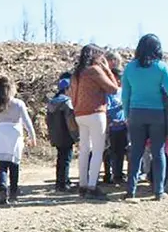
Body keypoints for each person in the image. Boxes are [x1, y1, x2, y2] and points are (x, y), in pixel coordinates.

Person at [121, 34, 168, 200]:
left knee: (136, 151)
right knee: (158, 151)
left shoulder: (130, 68)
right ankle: (159, 191)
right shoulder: (161, 67)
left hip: (135, 112)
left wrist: (126, 114)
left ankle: (131, 190)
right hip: (157, 113)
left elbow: (125, 95)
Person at [71, 44, 118, 200]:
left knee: (84, 150)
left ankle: (82, 185)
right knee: (98, 150)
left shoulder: (77, 73)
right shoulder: (94, 70)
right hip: (95, 113)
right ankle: (92, 186)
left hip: (79, 114)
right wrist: (107, 69)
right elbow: (113, 88)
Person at [0, 76, 36, 204]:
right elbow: (27, 121)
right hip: (15, 134)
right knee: (14, 164)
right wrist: (32, 136)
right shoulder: (18, 104)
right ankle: (14, 192)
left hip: (0, 133)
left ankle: (3, 190)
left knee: (2, 165)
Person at [46, 78, 78, 192]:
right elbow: (70, 121)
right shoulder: (67, 102)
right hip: (66, 135)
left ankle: (59, 182)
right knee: (66, 159)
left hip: (56, 135)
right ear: (67, 89)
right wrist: (76, 135)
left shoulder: (51, 102)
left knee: (60, 158)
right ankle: (64, 183)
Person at [103, 51, 127, 185]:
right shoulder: (109, 93)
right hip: (111, 126)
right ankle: (108, 174)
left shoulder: (123, 92)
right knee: (109, 152)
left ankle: (118, 174)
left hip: (123, 126)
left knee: (120, 152)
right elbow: (106, 108)